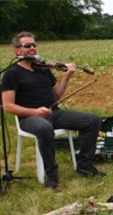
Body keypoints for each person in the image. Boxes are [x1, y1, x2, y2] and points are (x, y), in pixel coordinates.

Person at [1, 31, 106, 189]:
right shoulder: (11, 73)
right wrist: (35, 112)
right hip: (29, 118)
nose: (32, 48)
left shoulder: (42, 69)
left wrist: (67, 77)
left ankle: (84, 165)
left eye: (34, 45)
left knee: (93, 120)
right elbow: (8, 106)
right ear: (17, 51)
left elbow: (56, 96)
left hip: (54, 113)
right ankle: (52, 174)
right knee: (44, 128)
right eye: (27, 45)